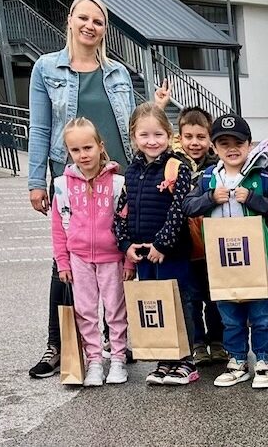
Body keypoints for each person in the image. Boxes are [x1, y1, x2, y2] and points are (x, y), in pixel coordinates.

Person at [27, 0, 138, 379]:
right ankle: (58, 344)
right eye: (84, 18)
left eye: (99, 21)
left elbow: (132, 126)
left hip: (116, 176)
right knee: (68, 260)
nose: (91, 26)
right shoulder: (45, 68)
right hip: (69, 176)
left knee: (117, 258)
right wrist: (36, 180)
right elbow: (40, 127)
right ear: (70, 20)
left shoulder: (117, 72)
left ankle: (117, 345)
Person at [182, 113, 268, 389]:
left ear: (249, 145)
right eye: (223, 143)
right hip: (222, 260)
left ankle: (263, 360)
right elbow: (187, 206)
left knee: (262, 313)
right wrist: (208, 198)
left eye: (238, 142)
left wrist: (253, 199)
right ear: (214, 148)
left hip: (256, 257)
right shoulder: (207, 178)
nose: (232, 148)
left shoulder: (260, 177)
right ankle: (237, 360)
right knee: (229, 312)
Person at [112, 103, 197, 386]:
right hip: (143, 254)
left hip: (170, 253)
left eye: (158, 134)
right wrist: (125, 244)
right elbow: (122, 211)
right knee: (154, 304)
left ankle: (185, 359)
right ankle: (164, 357)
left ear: (169, 134)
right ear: (133, 137)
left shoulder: (177, 167)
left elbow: (179, 210)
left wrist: (162, 243)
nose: (152, 141)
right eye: (144, 135)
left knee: (177, 301)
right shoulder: (132, 172)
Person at [50, 117, 131, 386]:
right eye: (76, 150)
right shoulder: (62, 185)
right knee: (85, 311)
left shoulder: (119, 184)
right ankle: (94, 361)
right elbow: (58, 227)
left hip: (112, 257)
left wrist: (129, 261)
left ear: (100, 146)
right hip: (79, 258)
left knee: (115, 309)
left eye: (88, 148)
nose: (83, 155)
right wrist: (63, 261)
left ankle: (118, 358)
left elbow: (126, 223)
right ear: (68, 152)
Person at [172, 107, 226, 368]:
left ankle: (217, 341)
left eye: (201, 137)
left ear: (210, 138)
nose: (195, 143)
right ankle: (197, 343)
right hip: (185, 246)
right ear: (179, 137)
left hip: (212, 244)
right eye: (189, 136)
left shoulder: (217, 168)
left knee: (215, 296)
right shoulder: (173, 166)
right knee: (191, 298)